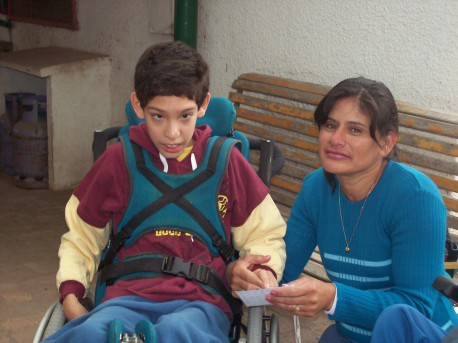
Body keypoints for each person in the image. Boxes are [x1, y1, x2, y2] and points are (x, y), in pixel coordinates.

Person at [43, 41, 286, 343]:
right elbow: (81, 237)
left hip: (202, 303)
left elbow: (265, 236)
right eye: (158, 116)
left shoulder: (227, 164)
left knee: (177, 332)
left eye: (185, 116)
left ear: (203, 105)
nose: (172, 132)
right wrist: (70, 297)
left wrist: (261, 272)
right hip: (125, 297)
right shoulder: (118, 160)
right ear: (137, 105)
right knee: (91, 332)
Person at [227, 77, 457, 343]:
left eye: (355, 130)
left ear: (386, 142)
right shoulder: (316, 189)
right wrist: (246, 274)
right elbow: (282, 269)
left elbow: (416, 309)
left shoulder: (415, 197)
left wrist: (334, 297)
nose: (335, 139)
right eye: (330, 125)